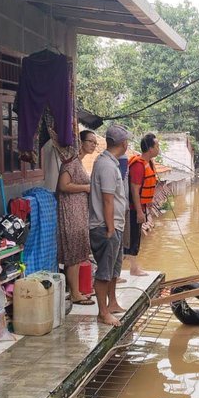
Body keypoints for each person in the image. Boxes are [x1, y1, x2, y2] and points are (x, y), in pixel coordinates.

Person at [89, 124, 130, 327]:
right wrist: (111, 227)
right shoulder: (106, 166)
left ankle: (112, 303)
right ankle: (102, 313)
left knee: (114, 269)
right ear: (123, 144)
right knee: (104, 272)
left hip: (115, 225)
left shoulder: (111, 163)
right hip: (106, 226)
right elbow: (107, 200)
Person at [57, 130, 97, 305]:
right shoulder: (71, 161)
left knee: (78, 250)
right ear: (80, 142)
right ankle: (75, 293)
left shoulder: (79, 162)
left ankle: (75, 290)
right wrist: (85, 188)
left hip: (79, 210)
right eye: (90, 141)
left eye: (95, 143)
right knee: (73, 251)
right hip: (71, 210)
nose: (94, 145)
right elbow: (63, 186)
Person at [125, 133, 160, 276]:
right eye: (157, 146)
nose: (159, 149)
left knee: (136, 237)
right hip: (133, 209)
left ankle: (133, 267)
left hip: (142, 207)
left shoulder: (148, 163)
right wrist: (139, 211)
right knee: (132, 237)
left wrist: (148, 206)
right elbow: (134, 189)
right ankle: (133, 268)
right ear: (150, 149)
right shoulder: (138, 165)